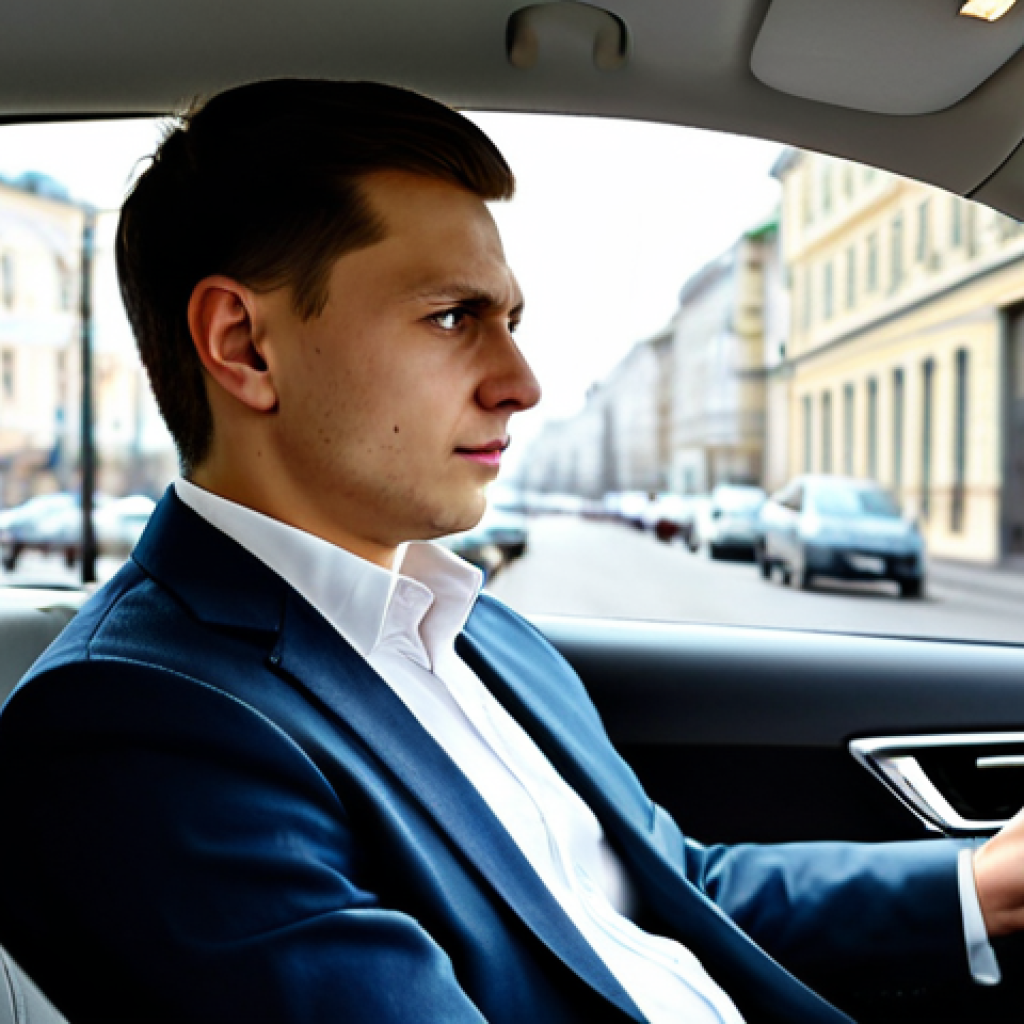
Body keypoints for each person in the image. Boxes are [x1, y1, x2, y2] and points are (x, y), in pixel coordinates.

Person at [1, 77, 1023, 1024]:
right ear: (243, 344)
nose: (521, 381)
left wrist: (977, 882)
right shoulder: (137, 727)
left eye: (512, 320)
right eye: (453, 317)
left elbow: (666, 894)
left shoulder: (477, 630)